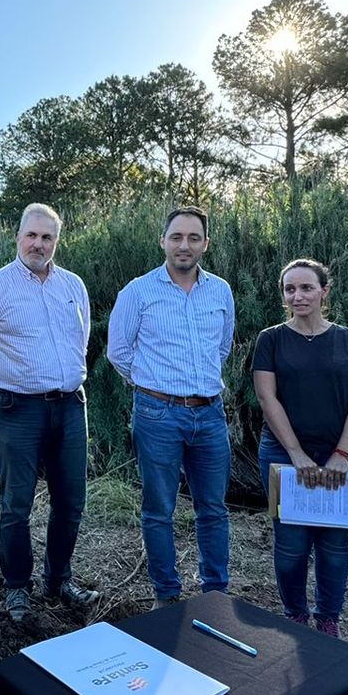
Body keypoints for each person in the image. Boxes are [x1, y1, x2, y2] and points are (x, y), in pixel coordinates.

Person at [107, 206, 236, 608]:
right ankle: (167, 595)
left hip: (210, 414)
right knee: (159, 510)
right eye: (176, 237)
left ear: (205, 244)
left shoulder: (221, 291)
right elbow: (118, 352)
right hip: (157, 414)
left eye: (193, 238)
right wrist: (152, 387)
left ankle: (215, 593)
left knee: (213, 509)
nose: (185, 245)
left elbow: (223, 346)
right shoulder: (138, 292)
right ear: (162, 240)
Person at [0, 203, 99, 623]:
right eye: (32, 235)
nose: (38, 244)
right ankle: (17, 588)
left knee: (71, 501)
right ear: (18, 237)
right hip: (15, 408)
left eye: (47, 237)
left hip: (69, 405)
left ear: (56, 242)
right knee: (16, 504)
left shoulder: (73, 285)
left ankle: (59, 579)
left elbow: (81, 339)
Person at [251, 258, 348, 638]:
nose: (298, 295)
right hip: (283, 456)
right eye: (290, 289)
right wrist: (296, 454)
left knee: (334, 546)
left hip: (345, 456)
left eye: (306, 287)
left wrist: (341, 455)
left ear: (325, 291)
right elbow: (266, 397)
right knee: (290, 546)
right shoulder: (270, 339)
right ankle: (295, 616)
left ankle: (328, 620)